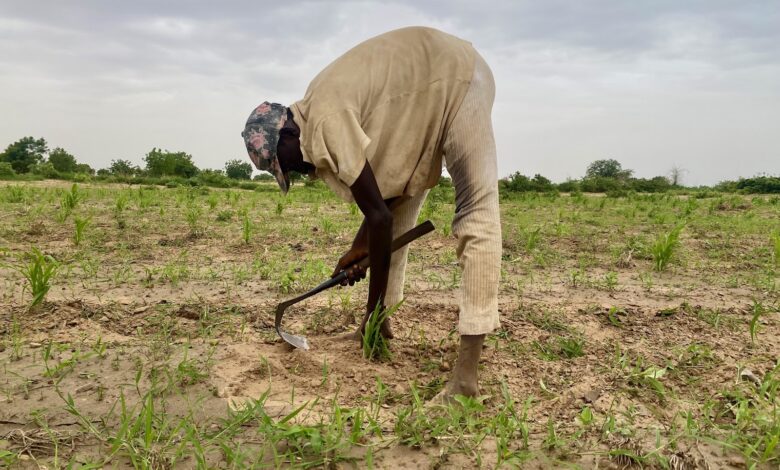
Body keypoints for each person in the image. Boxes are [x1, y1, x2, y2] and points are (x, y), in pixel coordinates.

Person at [241, 26, 501, 399]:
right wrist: (359, 249)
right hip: (429, 91)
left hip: (459, 78)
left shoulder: (326, 120)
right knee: (400, 206)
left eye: (287, 165)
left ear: (287, 137)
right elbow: (384, 196)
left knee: (476, 210)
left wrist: (371, 310)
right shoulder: (320, 108)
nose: (297, 173)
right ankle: (383, 324)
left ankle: (465, 379)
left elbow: (379, 217)